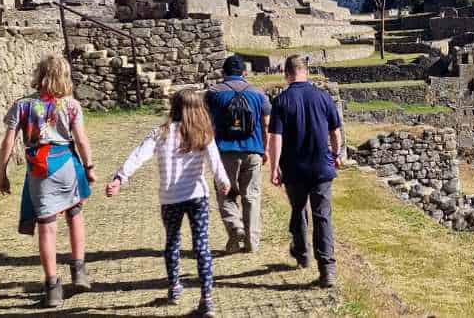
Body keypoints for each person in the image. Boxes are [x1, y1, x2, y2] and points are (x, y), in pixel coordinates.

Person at [106, 88, 230, 318]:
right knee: (201, 246)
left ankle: (174, 287)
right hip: (197, 196)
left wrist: (120, 177)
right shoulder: (204, 133)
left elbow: (138, 155)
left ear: (174, 107)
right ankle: (207, 299)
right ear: (198, 109)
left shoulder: (161, 133)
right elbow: (216, 162)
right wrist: (223, 182)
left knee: (172, 242)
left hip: (170, 198)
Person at [0, 54, 96, 308]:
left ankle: (52, 287)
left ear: (40, 75)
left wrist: (2, 173)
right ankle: (79, 269)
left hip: (40, 171)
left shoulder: (23, 105)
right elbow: (81, 140)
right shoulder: (71, 105)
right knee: (74, 215)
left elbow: (8, 141)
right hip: (67, 166)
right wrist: (89, 167)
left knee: (47, 226)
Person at [267, 55, 343, 288]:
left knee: (298, 210)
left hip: (294, 168)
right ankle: (327, 269)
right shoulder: (322, 97)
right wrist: (337, 154)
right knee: (322, 216)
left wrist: (274, 166)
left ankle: (302, 253)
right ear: (306, 71)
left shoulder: (281, 101)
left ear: (286, 73)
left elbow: (275, 138)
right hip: (321, 166)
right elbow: (335, 131)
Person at [204, 55, 271, 254]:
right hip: (253, 150)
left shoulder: (213, 93)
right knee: (251, 196)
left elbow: (206, 123)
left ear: (223, 73)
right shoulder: (259, 94)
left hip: (224, 152)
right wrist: (266, 149)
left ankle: (235, 228)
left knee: (226, 193)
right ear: (245, 73)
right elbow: (266, 124)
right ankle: (252, 243)